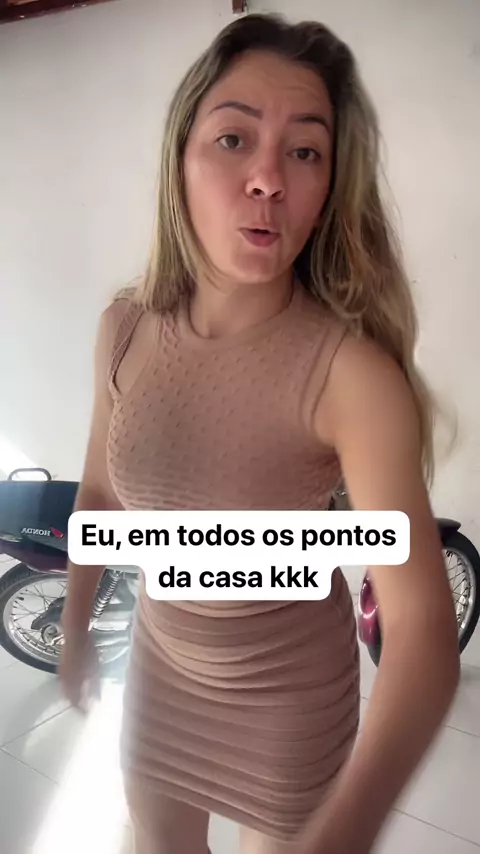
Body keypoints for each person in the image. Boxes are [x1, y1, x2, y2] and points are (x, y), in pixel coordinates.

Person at [59, 13, 460, 854]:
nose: (269, 179)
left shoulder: (349, 376)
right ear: (180, 158)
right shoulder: (123, 330)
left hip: (287, 699)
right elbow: (98, 493)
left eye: (305, 151)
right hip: (160, 667)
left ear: (329, 187)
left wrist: (344, 832)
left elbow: (423, 631)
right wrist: (74, 633)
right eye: (234, 138)